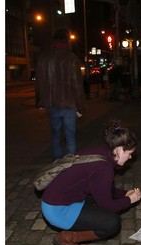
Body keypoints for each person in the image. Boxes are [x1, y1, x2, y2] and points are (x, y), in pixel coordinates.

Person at [40, 118, 141, 245]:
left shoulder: (101, 153)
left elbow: (103, 189)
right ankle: (66, 238)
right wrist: (129, 200)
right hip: (57, 210)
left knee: (100, 201)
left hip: (55, 200)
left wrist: (124, 194)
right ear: (119, 150)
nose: (130, 158)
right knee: (112, 223)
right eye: (129, 153)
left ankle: (83, 224)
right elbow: (107, 206)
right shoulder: (104, 169)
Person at [35, 27, 85, 161]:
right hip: (69, 104)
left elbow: (39, 82)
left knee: (56, 135)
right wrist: (80, 107)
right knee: (70, 135)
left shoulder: (44, 58)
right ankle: (70, 164)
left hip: (51, 103)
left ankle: (57, 164)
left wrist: (40, 101)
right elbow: (77, 85)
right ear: (67, 40)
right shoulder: (71, 58)